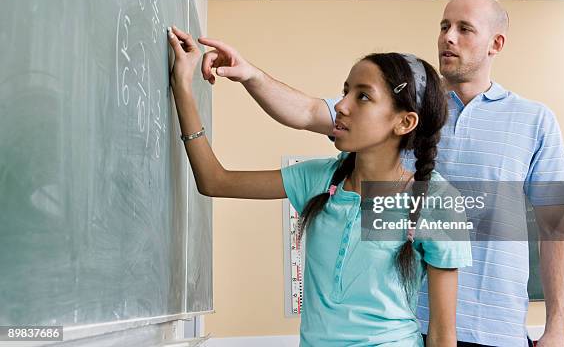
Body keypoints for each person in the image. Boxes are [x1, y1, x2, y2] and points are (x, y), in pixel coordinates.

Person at [195, 0, 564, 347]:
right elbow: (309, 111)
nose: (448, 37)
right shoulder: (400, 105)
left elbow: (556, 225)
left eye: (464, 29)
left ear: (496, 44)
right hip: (405, 320)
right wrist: (249, 74)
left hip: (495, 326)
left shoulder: (534, 120)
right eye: (444, 26)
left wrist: (557, 327)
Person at [167, 25, 471, 346]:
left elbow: (441, 333)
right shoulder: (320, 179)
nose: (341, 105)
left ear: (404, 122)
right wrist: (182, 87)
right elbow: (215, 181)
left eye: (363, 96)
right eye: (346, 91)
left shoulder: (436, 201)